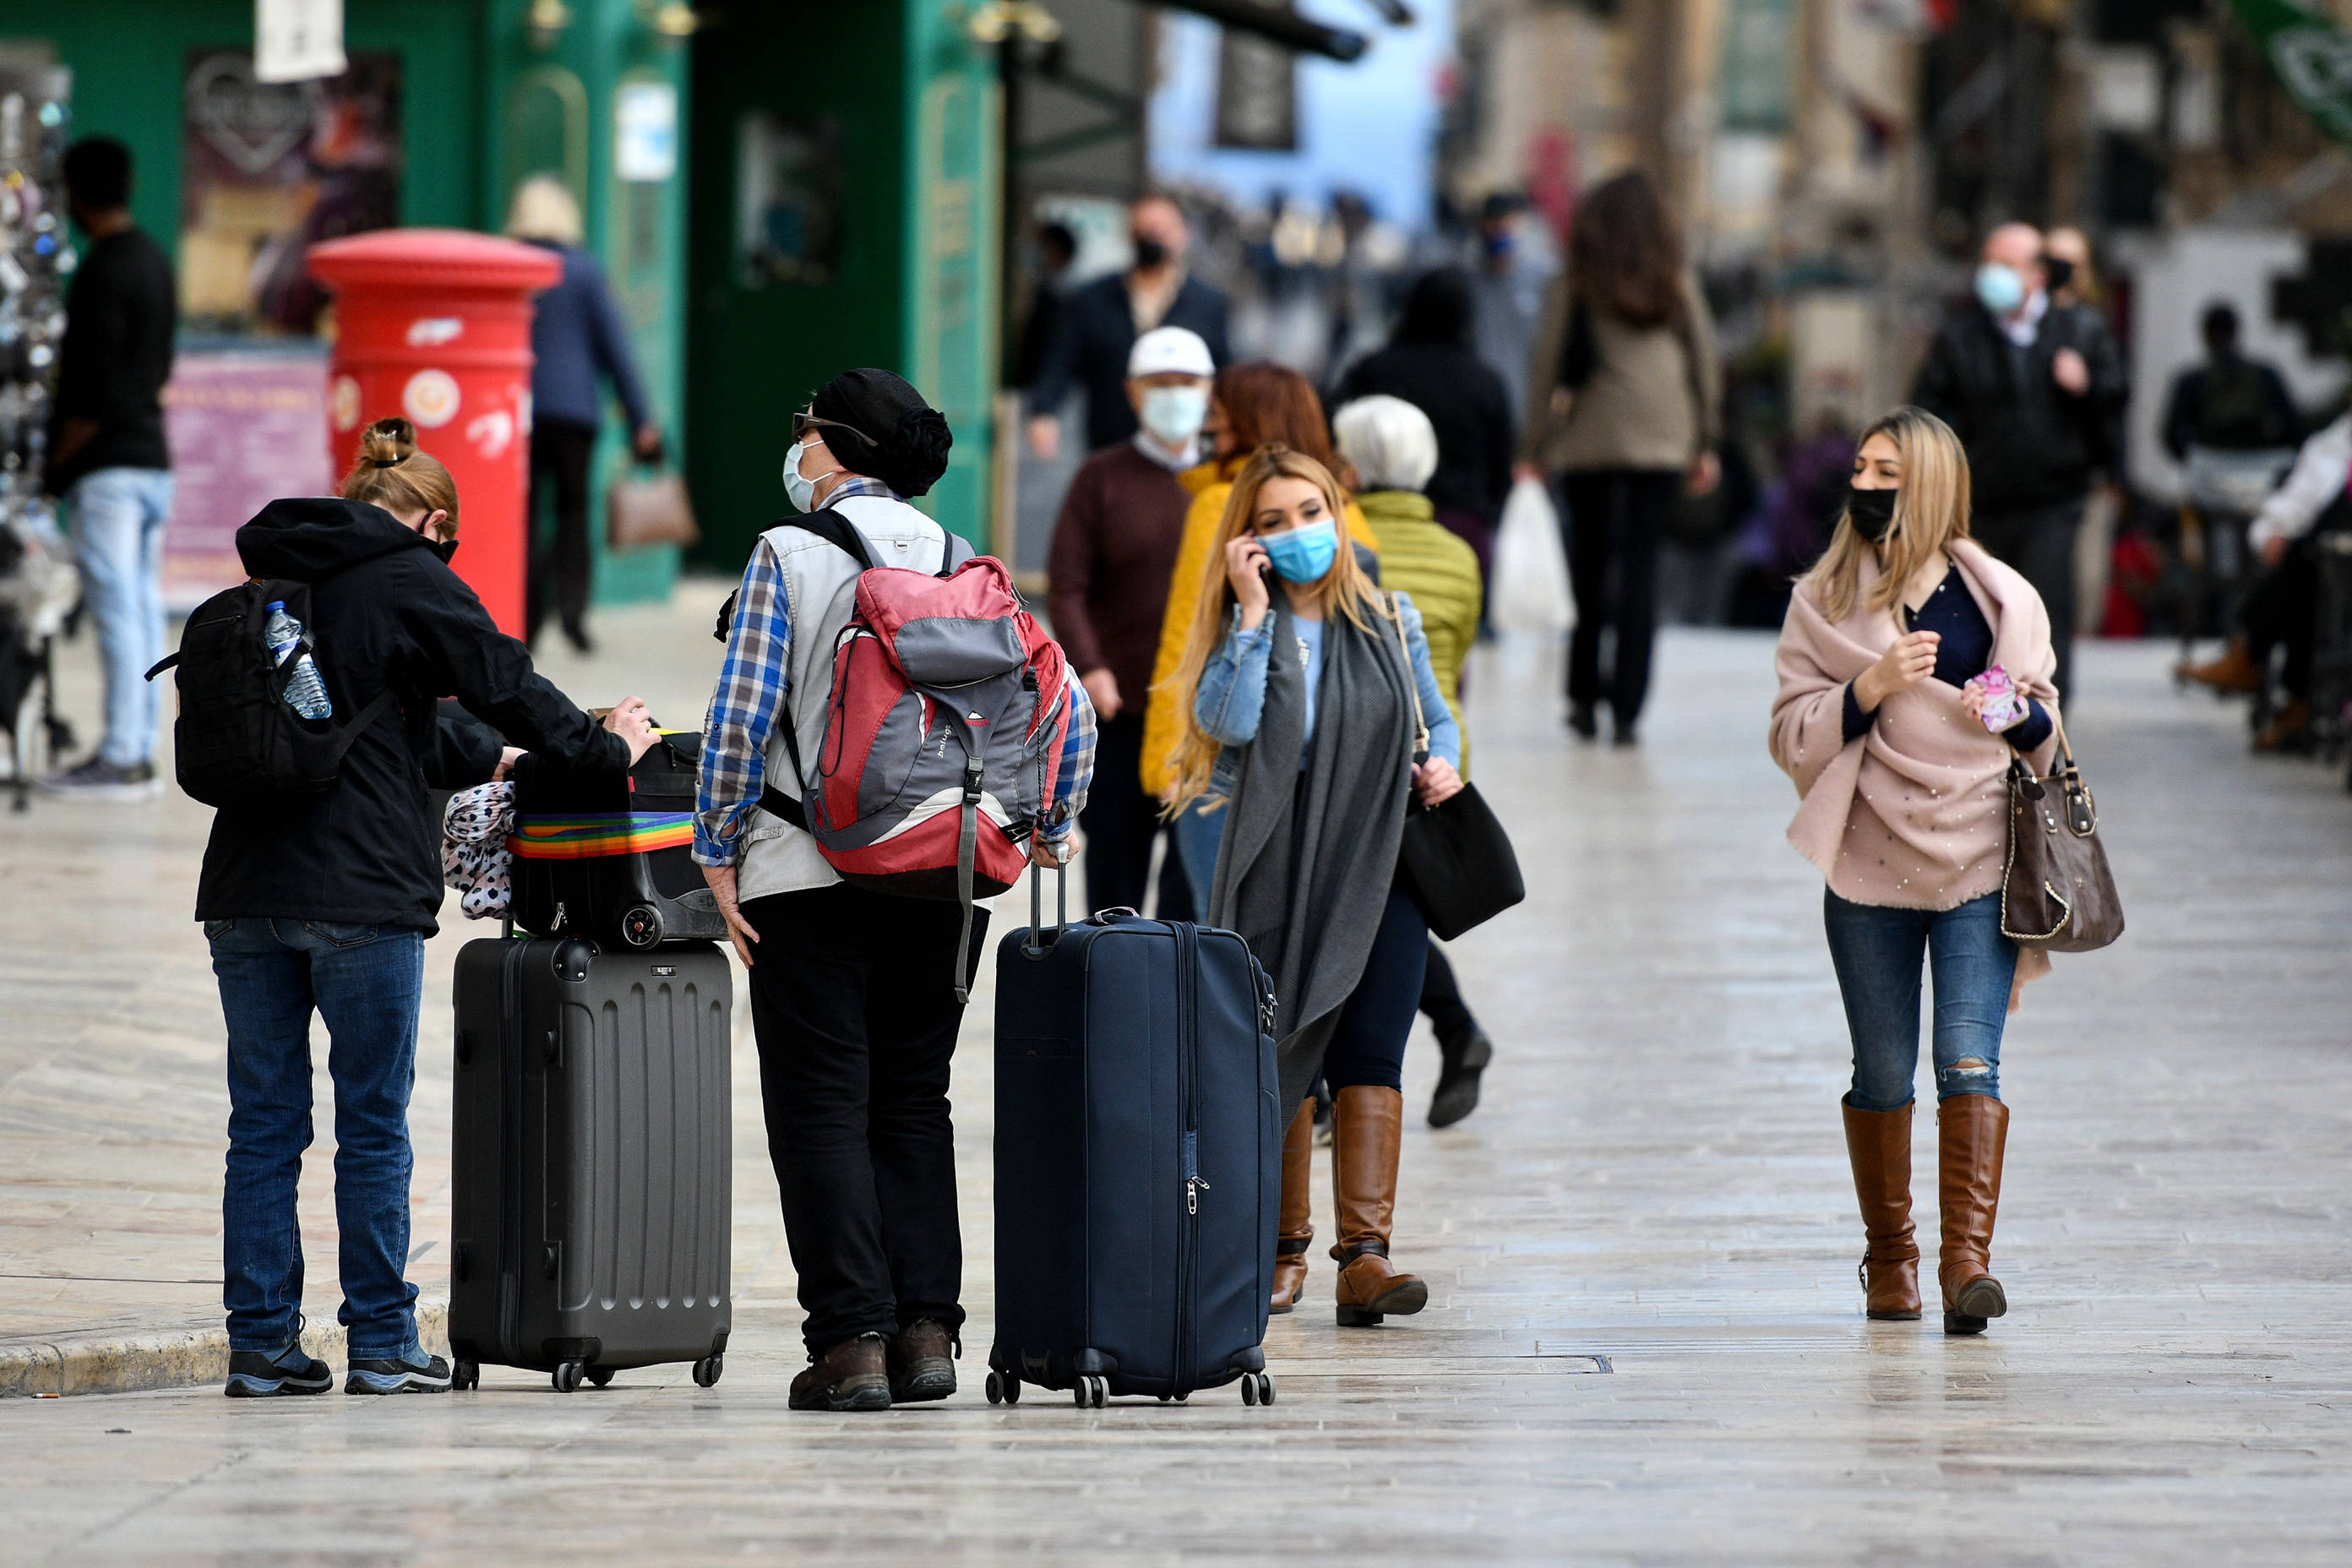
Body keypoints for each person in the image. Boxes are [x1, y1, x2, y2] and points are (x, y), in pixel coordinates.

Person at [200, 417, 658, 1397]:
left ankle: (263, 1344)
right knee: (372, 1122)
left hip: (244, 892)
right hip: (360, 891)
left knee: (265, 1123)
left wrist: (496, 757)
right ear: (435, 520)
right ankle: (380, 1340)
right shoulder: (411, 573)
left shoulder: (275, 579)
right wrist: (605, 745)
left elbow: (384, 721)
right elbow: (508, 683)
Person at [694, 368, 1095, 1413]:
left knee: (821, 1105)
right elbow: (1068, 714)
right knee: (914, 1101)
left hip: (805, 871)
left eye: (806, 431)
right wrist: (1045, 826)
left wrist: (715, 850)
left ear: (835, 449)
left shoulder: (789, 553)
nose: (799, 448)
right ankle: (928, 1335)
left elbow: (741, 717)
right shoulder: (969, 562)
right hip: (942, 874)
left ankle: (850, 1343)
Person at [1767, 405, 2062, 1338]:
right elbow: (1788, 735)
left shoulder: (2002, 596)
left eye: (1888, 470)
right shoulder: (1822, 599)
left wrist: (2015, 713)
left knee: (1969, 1058)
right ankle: (1890, 1253)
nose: (1866, 483)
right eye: (1860, 467)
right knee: (1883, 1069)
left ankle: (1965, 1263)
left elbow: (2048, 734)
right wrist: (1871, 685)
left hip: (1982, 853)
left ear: (1930, 483)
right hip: (1868, 859)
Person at [1165, 444, 1463, 1327]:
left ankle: (1363, 1260)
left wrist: (1444, 762)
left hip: (1381, 864)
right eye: (1272, 522)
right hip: (1276, 869)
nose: (1297, 532)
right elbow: (1225, 720)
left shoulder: (1390, 617)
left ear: (1337, 512)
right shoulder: (1240, 628)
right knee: (1280, 1047)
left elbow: (1436, 720)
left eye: (1309, 512)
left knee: (1374, 1052)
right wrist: (1254, 612)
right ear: (1246, 543)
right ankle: (1281, 1249)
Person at [1140, 363, 1380, 896]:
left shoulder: (1221, 506)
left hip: (1227, 777)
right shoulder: (1339, 508)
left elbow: (1189, 633)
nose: (1211, 431)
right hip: (1331, 780)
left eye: (1221, 419)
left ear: (1251, 423)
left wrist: (1168, 757)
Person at [1332, 395, 1497, 1129]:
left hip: (1370, 766)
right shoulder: (1462, 554)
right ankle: (1455, 1028)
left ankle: (1443, 1033)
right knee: (1394, 916)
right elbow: (1454, 660)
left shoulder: (1345, 543)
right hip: (1439, 759)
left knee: (1366, 921)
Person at [1522, 170, 1721, 746]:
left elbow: (1546, 366)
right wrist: (1705, 441)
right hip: (1664, 437)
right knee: (1641, 572)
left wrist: (1532, 447)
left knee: (1588, 568)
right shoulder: (1674, 280)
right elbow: (1703, 360)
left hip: (1590, 442)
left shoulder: (1577, 283)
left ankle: (1583, 697)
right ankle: (1629, 709)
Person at [1911, 222, 2127, 703]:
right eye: (1989, 265)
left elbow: (2115, 401)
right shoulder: (1961, 336)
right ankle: (1993, 716)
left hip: (2054, 499)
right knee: (1988, 612)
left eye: (2006, 266)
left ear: (2037, 274)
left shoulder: (2081, 329)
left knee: (2044, 607)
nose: (1994, 276)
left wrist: (2085, 386)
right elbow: (1925, 410)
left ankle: (2042, 720)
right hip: (1981, 502)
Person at [1045, 325, 1215, 920]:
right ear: (1132, 392)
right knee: (1114, 882)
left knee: (1192, 892)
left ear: (1210, 392)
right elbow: (1066, 586)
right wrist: (1090, 668)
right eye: (1159, 384)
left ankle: (1182, 1009)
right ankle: (1113, 1003)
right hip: (1117, 717)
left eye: (1187, 383)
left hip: (1204, 723)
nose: (1174, 395)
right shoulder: (1101, 477)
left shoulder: (1227, 483)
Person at [39, 136, 177, 800]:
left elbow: (88, 394)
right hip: (154, 463)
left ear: (77, 192)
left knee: (118, 612)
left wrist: (54, 469)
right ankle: (139, 751)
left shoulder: (101, 271)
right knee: (144, 610)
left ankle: (120, 756)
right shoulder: (154, 260)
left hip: (110, 473)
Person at [504, 175, 665, 654]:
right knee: (573, 511)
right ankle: (573, 611)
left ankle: (524, 618)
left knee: (525, 516)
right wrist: (642, 419)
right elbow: (616, 349)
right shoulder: (585, 270)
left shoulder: (512, 266)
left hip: (519, 411)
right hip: (576, 412)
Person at [2179, 408, 2352, 750]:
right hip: (2329, 556)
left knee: (2306, 570)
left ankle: (2251, 658)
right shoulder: (2337, 438)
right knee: (2306, 569)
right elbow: (2303, 494)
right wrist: (2272, 531)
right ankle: (2284, 693)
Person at [1332, 267, 1517, 584]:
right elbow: (1502, 464)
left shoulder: (1374, 370)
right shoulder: (1487, 381)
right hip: (1463, 527)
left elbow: (1337, 435)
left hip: (1375, 522)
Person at [1024, 194, 1232, 460]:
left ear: (1183, 234)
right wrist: (1045, 411)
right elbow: (1061, 358)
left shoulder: (1208, 302)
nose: (1152, 239)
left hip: (1185, 446)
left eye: (1161, 231)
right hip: (1111, 441)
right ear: (1128, 235)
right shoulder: (1092, 298)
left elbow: (1224, 369)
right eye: (1143, 231)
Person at [1466, 193, 1552, 417]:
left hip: (1528, 404)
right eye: (1491, 228)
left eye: (1505, 229)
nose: (1497, 236)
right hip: (1479, 404)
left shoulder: (1544, 278)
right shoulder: (1467, 281)